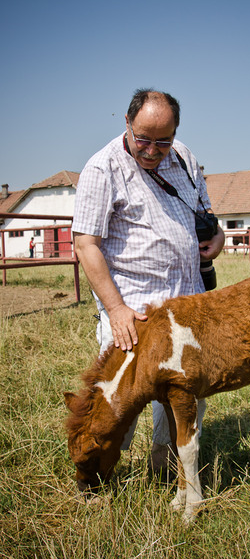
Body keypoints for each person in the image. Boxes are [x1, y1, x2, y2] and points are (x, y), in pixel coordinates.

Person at [72, 89, 225, 469]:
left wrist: (218, 237)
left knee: (184, 392)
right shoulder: (102, 169)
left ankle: (168, 464)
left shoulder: (183, 156)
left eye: (163, 141)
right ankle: (100, 471)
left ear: (176, 132)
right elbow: (86, 245)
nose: (153, 150)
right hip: (134, 310)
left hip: (187, 306)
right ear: (127, 122)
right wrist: (116, 309)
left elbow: (205, 212)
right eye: (143, 139)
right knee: (119, 400)